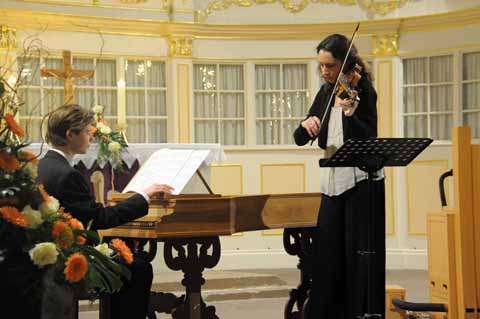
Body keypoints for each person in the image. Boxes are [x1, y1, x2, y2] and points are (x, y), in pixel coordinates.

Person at [37, 103, 174, 319]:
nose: (91, 138)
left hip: (50, 252)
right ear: (70, 134)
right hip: (66, 259)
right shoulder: (67, 174)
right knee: (138, 269)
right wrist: (144, 196)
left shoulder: (42, 165)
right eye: (87, 132)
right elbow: (99, 219)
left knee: (130, 263)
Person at [293, 34, 385, 319]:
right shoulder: (325, 92)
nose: (325, 72)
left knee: (356, 258)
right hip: (331, 185)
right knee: (327, 257)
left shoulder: (364, 91)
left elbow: (366, 136)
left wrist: (349, 113)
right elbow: (301, 138)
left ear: (346, 64)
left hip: (360, 183)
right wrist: (305, 124)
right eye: (321, 66)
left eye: (330, 66)